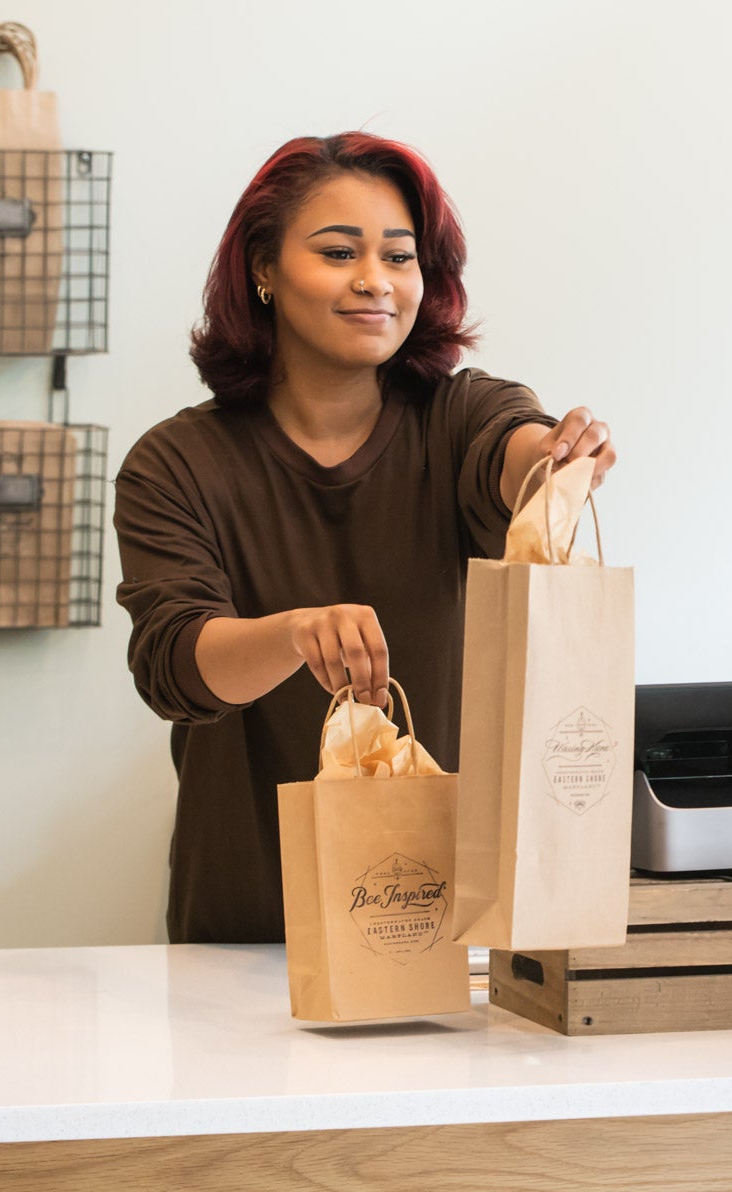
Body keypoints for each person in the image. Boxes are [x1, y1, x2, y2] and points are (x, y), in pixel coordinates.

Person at [113, 133, 618, 943]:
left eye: (400, 256)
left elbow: (511, 446)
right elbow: (175, 665)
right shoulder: (174, 464)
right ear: (263, 270)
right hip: (250, 921)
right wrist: (293, 632)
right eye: (339, 251)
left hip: (450, 921)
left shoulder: (458, 417)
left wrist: (556, 456)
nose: (375, 281)